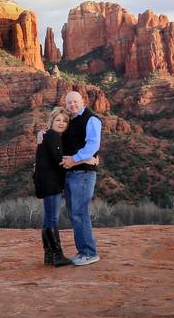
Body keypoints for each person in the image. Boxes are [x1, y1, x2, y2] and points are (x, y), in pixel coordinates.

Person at [33, 107, 99, 267]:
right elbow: (61, 161)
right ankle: (57, 255)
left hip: (47, 182)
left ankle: (49, 256)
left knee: (48, 218)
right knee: (52, 218)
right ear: (52, 121)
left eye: (65, 121)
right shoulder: (53, 136)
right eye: (58, 120)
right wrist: (87, 160)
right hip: (51, 183)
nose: (61, 123)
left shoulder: (51, 135)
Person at [59, 90, 102, 266]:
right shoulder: (71, 120)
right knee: (74, 212)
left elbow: (93, 145)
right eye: (69, 103)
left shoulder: (91, 118)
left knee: (80, 212)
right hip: (71, 173)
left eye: (75, 102)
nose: (72, 105)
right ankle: (82, 251)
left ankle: (89, 253)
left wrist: (74, 160)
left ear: (82, 101)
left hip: (83, 173)